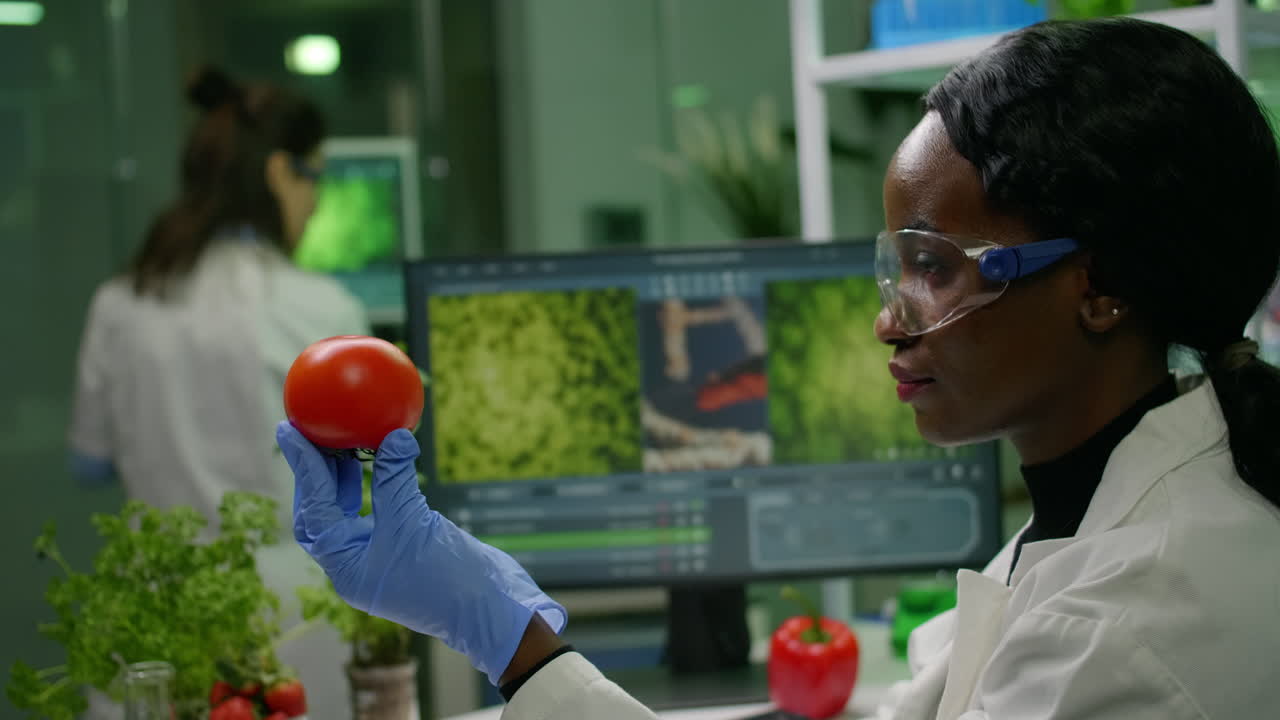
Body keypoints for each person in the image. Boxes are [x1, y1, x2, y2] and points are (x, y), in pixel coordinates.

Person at [276, 17, 1280, 720]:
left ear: (1097, 288)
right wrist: (510, 638)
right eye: (893, 267)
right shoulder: (1095, 521)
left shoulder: (1131, 630)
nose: (889, 321)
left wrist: (513, 642)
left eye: (932, 268)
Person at [70, 67, 367, 718]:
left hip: (156, 605)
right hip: (291, 623)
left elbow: (88, 464)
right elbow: (361, 479)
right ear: (279, 174)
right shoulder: (324, 309)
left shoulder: (121, 302)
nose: (315, 203)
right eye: (313, 177)